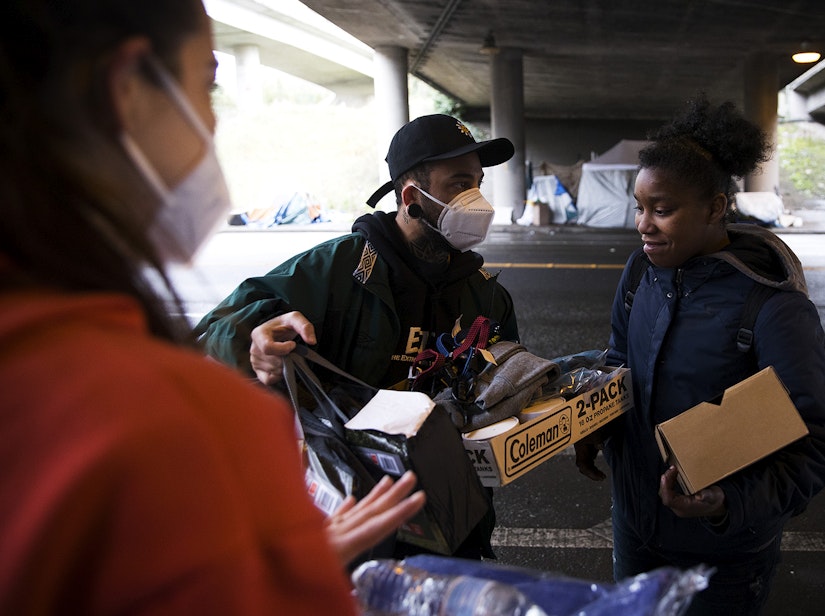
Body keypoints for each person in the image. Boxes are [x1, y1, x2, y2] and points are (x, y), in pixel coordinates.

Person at [0, 1, 425, 614]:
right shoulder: (193, 433)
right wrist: (284, 572)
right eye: (206, 85)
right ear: (127, 90)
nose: (210, 126)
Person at [194, 114, 519, 560]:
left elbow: (509, 383)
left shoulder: (486, 294)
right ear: (412, 198)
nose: (476, 200)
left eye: (478, 183)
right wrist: (255, 341)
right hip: (351, 519)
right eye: (459, 184)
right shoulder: (339, 268)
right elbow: (217, 330)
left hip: (452, 517)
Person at [574, 96, 825, 615]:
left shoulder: (773, 306)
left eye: (663, 209)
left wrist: (726, 504)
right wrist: (594, 423)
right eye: (639, 206)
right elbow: (619, 362)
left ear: (716, 208)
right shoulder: (640, 273)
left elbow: (818, 444)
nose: (643, 225)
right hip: (635, 528)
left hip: (721, 557)